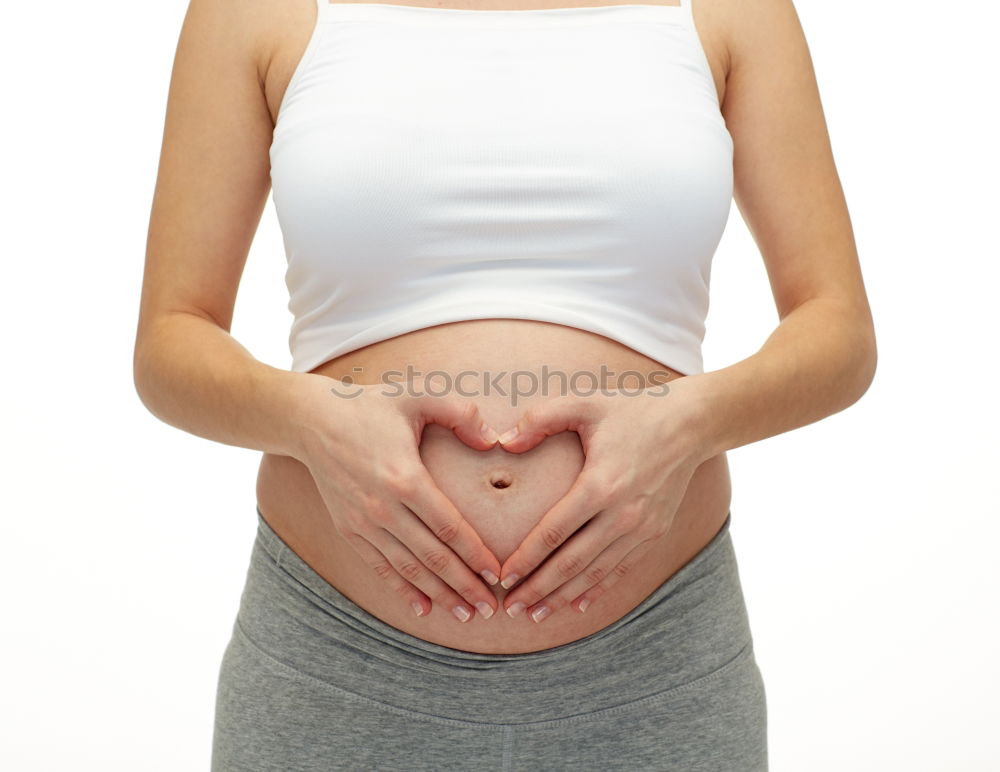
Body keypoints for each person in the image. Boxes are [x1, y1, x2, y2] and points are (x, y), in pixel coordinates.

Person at [133, 0, 877, 769]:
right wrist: (309, 422)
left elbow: (839, 330)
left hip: (655, 664)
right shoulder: (253, 11)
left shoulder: (733, 12)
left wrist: (690, 422)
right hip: (337, 659)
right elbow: (170, 341)